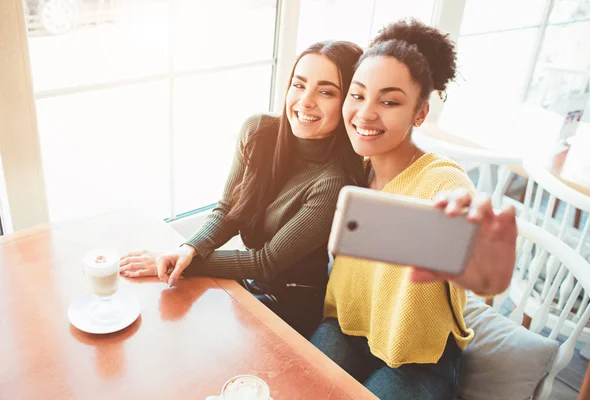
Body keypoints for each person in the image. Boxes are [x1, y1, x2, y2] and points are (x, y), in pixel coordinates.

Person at [310, 19, 517, 399]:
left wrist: (487, 277)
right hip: (348, 328)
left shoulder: (441, 181)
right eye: (357, 95)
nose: (365, 113)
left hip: (419, 357)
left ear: (419, 114)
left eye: (389, 101)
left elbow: (478, 260)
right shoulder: (351, 167)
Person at [119, 40, 366, 338]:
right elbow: (228, 211)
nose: (306, 101)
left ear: (349, 103)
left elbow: (266, 262)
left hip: (292, 299)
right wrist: (188, 248)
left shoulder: (334, 181)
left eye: (326, 92)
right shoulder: (257, 132)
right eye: (299, 85)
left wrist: (179, 264)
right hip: (250, 280)